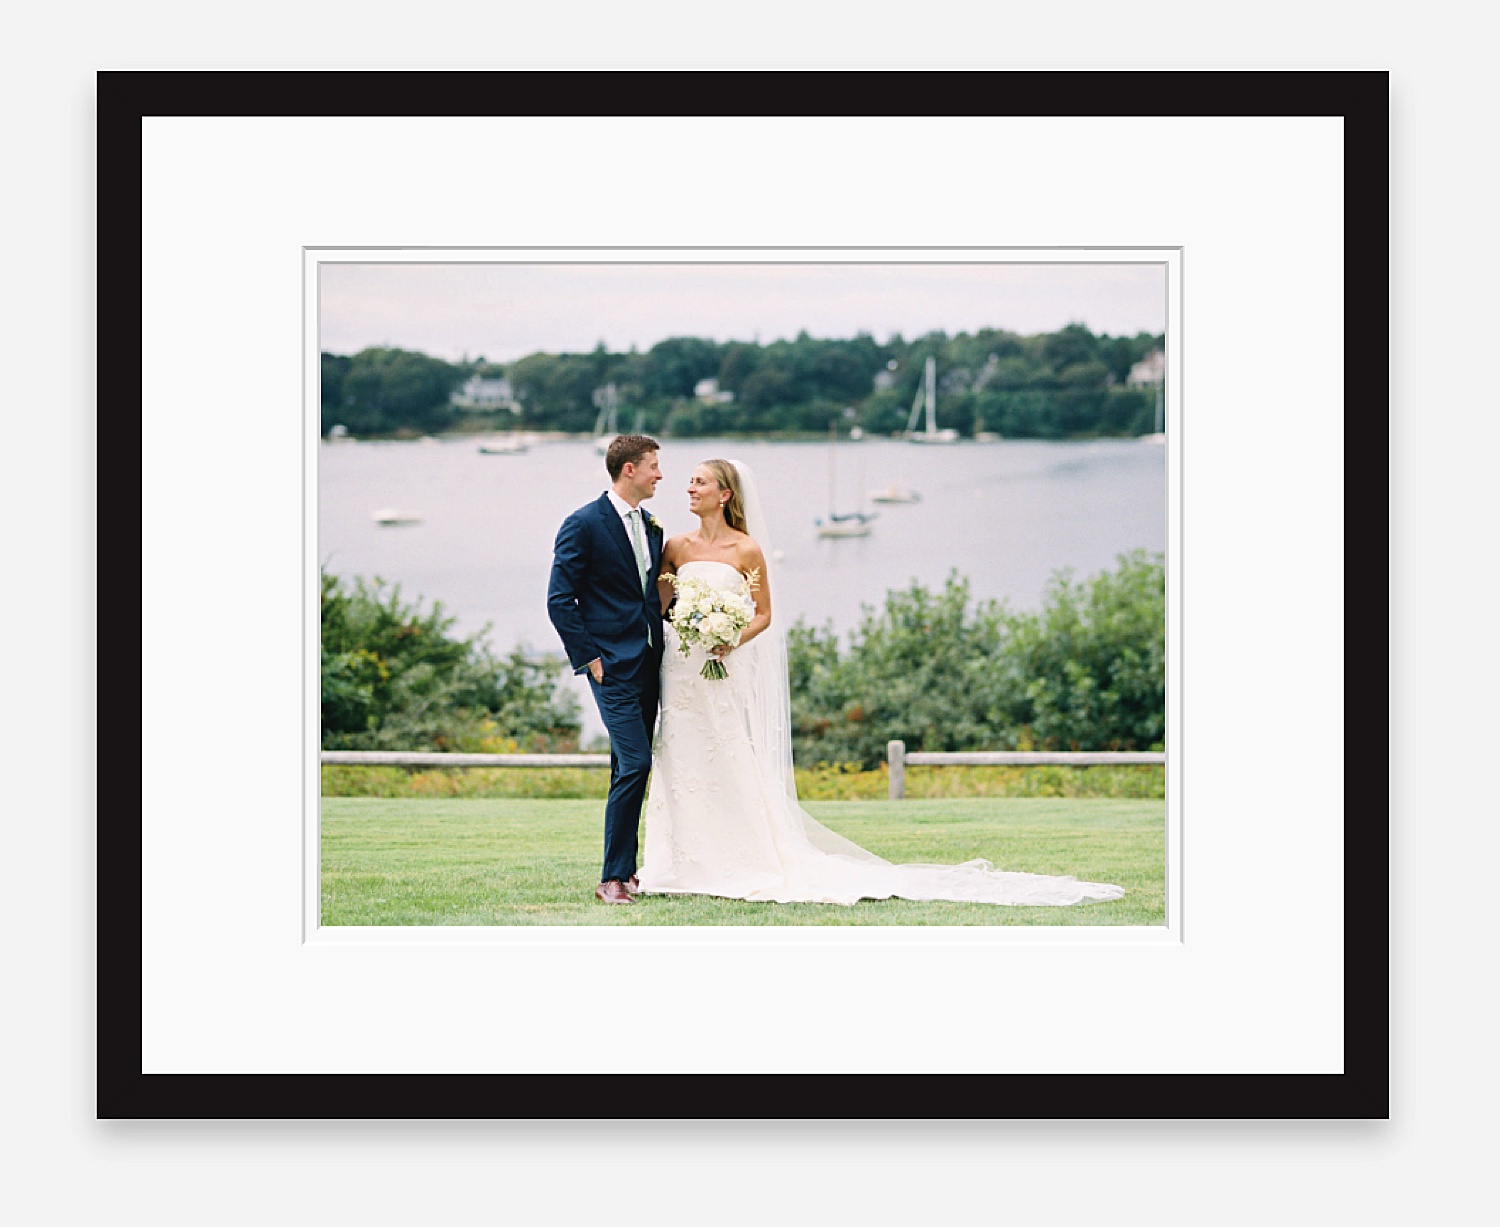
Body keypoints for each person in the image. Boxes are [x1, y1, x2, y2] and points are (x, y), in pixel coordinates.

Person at [636, 457, 1126, 907]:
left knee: (728, 754)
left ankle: (742, 860)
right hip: (682, 669)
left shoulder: (748, 550)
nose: (689, 488)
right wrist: (690, 626)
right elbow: (659, 607)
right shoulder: (675, 546)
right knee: (680, 756)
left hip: (723, 666)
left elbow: (764, 614)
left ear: (724, 494)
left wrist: (730, 637)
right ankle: (677, 862)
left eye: (699, 481)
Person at [547, 435, 666, 905]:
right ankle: (611, 879)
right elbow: (560, 599)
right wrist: (589, 657)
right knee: (637, 762)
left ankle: (628, 872)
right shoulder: (583, 523)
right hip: (610, 666)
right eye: (654, 466)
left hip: (650, 661)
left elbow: (650, 595)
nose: (660, 475)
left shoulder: (651, 526)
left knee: (627, 765)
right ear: (629, 470)